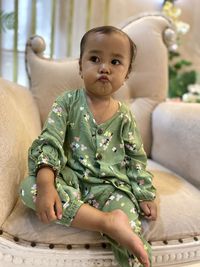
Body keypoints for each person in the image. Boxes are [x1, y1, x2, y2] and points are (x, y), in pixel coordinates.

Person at [20, 25, 157, 267]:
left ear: (126, 74)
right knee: (28, 188)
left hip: (112, 187)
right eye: (95, 59)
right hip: (71, 181)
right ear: (81, 67)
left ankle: (127, 244)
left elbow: (136, 158)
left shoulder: (125, 117)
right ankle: (105, 222)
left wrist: (145, 194)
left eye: (115, 62)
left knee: (131, 229)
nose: (104, 67)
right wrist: (45, 183)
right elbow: (50, 140)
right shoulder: (66, 102)